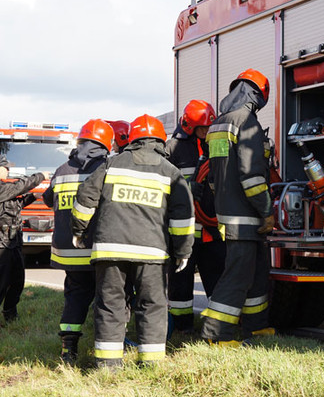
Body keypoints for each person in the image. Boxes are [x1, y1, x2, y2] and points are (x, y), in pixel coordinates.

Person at [71, 114, 194, 368]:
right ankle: (151, 365)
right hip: (152, 254)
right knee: (152, 306)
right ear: (161, 140)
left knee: (110, 305)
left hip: (110, 250)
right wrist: (183, 251)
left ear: (132, 139)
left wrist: (79, 230)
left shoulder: (111, 164)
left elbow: (85, 198)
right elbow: (183, 217)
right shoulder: (170, 172)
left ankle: (107, 366)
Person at [200, 68, 276, 346]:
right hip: (246, 215)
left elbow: (215, 174)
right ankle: (215, 335)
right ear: (257, 95)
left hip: (229, 213)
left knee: (255, 275)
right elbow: (252, 176)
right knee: (237, 276)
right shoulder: (247, 122)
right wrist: (266, 210)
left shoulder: (219, 124)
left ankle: (256, 327)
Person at [42, 119, 113, 364]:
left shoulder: (62, 170)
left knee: (74, 298)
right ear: (106, 144)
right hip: (97, 250)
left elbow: (47, 199)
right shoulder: (107, 167)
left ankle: (68, 351)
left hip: (68, 252)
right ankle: (109, 348)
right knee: (108, 298)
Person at [166, 99, 225, 333]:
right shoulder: (173, 148)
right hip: (185, 231)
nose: (207, 132)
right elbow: (166, 186)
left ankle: (218, 326)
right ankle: (182, 328)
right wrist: (190, 189)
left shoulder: (216, 145)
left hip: (212, 230)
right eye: (203, 128)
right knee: (181, 284)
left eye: (210, 127)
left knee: (217, 280)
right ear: (189, 126)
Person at [0, 155, 49, 330]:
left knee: (18, 280)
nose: (8, 171)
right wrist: (40, 176)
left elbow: (13, 206)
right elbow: (19, 186)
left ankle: (10, 313)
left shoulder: (0, 188)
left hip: (13, 238)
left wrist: (33, 196)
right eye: (6, 168)